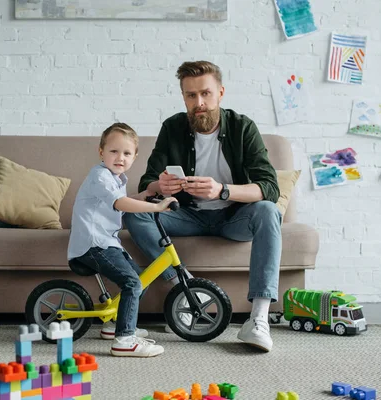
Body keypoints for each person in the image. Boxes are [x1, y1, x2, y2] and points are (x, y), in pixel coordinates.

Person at [123, 61, 282, 352]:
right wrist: (161, 187)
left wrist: (222, 191)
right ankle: (185, 289)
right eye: (191, 96)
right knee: (134, 212)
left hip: (234, 218)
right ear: (183, 97)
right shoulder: (173, 127)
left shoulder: (242, 127)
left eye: (206, 94)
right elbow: (146, 184)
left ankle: (259, 319)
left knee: (269, 211)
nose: (199, 103)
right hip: (186, 215)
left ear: (220, 93)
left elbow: (269, 188)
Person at [67, 122, 177, 357]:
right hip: (93, 244)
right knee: (133, 283)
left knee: (140, 279)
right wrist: (156, 206)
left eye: (127, 153)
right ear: (101, 152)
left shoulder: (116, 179)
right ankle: (124, 339)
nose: (120, 157)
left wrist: (144, 195)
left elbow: (119, 201)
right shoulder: (100, 176)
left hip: (105, 242)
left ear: (135, 157)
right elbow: (119, 204)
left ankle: (114, 324)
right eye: (114, 151)